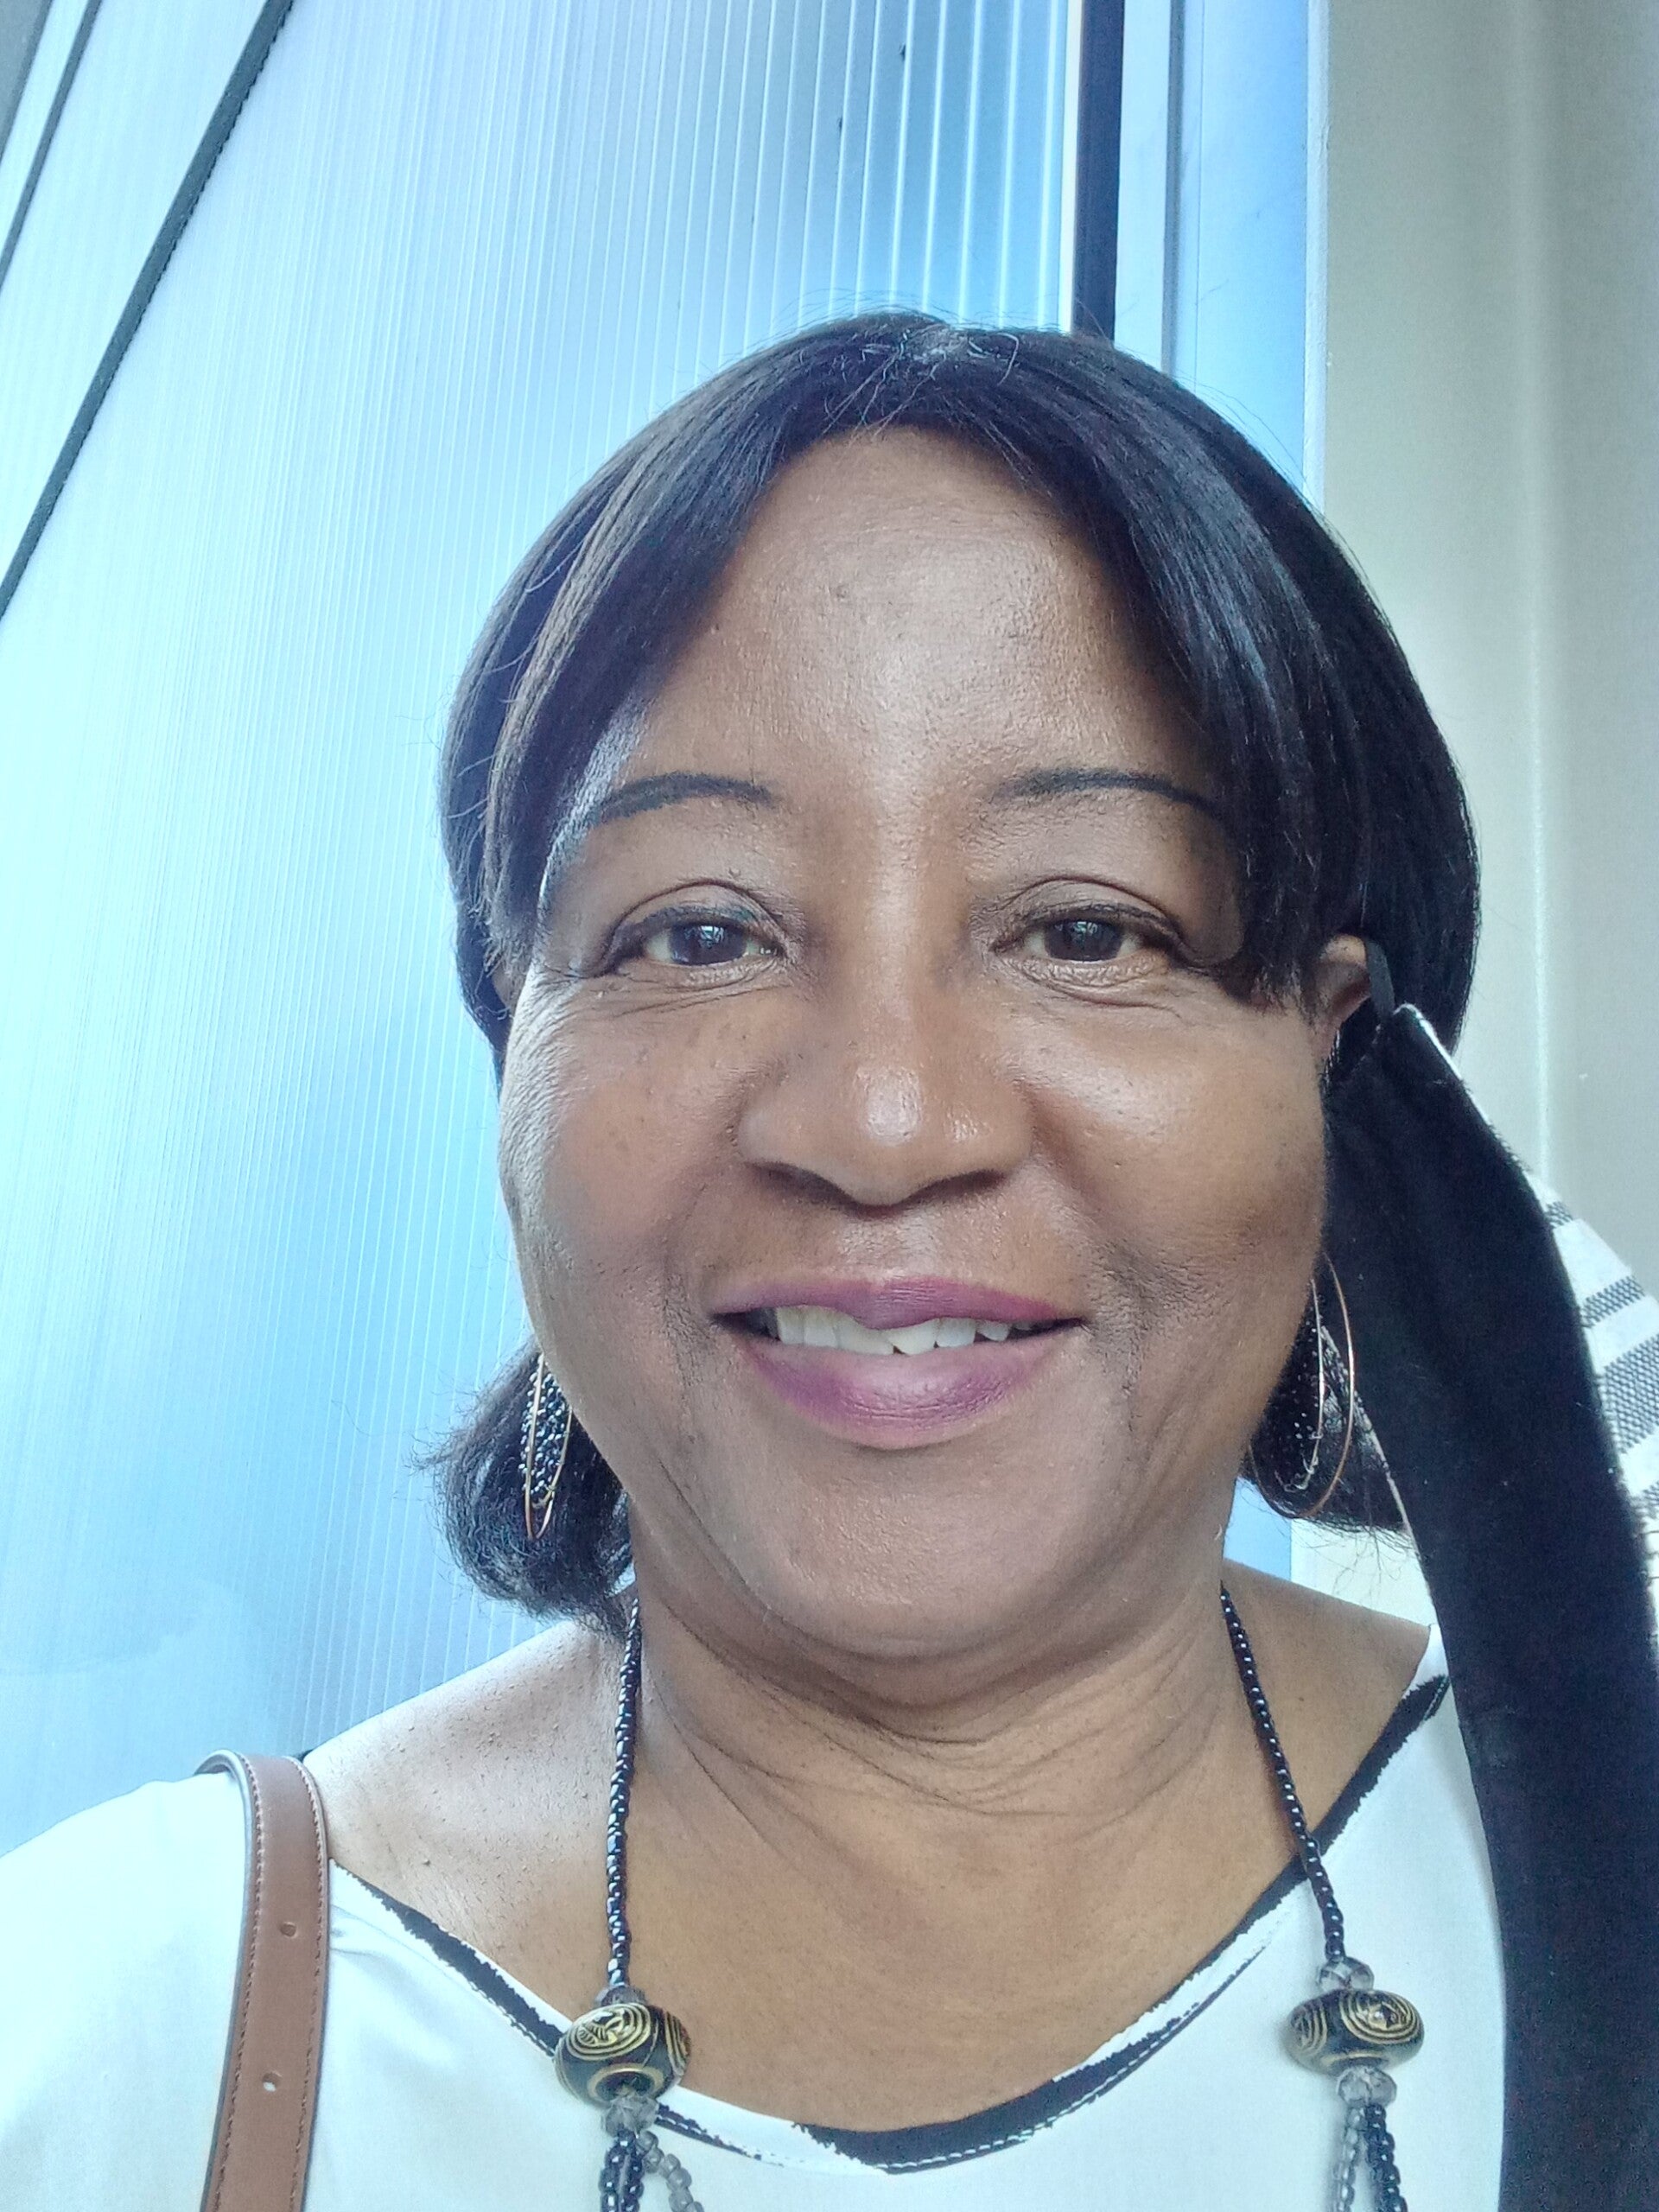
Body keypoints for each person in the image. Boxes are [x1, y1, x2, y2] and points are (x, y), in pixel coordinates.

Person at [3, 315, 1656, 2212]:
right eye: (696, 935)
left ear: (1340, 1069)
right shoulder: (110, 2037)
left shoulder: (1613, 1850)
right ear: (514, 1050)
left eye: (1090, 929)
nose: (881, 1120)